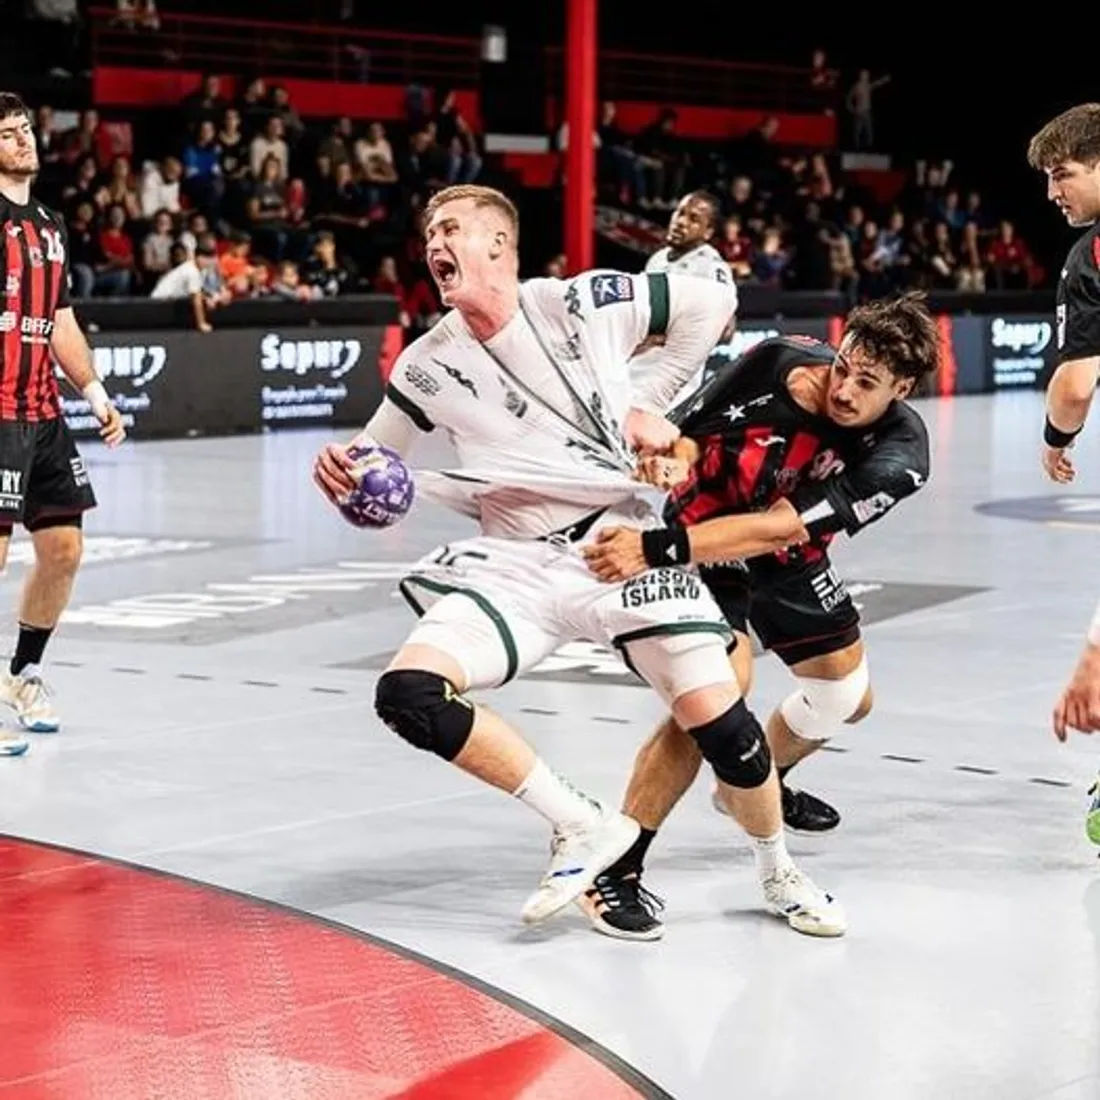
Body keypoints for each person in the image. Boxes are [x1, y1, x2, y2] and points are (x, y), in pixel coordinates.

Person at [313, 184, 846, 937]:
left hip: (621, 547)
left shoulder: (579, 302)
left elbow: (705, 306)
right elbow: (373, 456)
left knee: (724, 730)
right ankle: (580, 824)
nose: (434, 240)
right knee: (408, 692)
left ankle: (778, 871)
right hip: (517, 564)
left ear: (499, 245)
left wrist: (649, 399)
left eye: (452, 228)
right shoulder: (426, 363)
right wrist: (342, 474)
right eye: (428, 229)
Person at [578, 292, 938, 939]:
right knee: (713, 699)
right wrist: (667, 465)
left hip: (779, 544)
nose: (844, 390)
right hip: (700, 536)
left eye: (867, 383)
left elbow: (780, 528)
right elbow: (691, 435)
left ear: (901, 388)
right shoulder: (773, 360)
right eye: (844, 366)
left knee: (846, 695)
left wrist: (650, 550)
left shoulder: (901, 456)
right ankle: (615, 868)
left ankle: (756, 779)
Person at [0, 92, 126, 755]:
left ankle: (24, 673)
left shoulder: (49, 223)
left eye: (27, 129)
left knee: (64, 550)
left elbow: (59, 321)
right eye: (9, 133)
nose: (25, 140)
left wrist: (95, 391)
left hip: (42, 410)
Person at [1026, 102, 1100, 843]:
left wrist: (1055, 437)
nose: (1053, 193)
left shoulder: (1091, 257)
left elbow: (1075, 383)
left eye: (1063, 173)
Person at [642, 191, 737, 391]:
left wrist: (665, 336)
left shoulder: (711, 267)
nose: (681, 222)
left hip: (671, 381)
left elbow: (726, 330)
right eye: (680, 213)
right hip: (638, 368)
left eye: (694, 219)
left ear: (708, 232)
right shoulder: (658, 259)